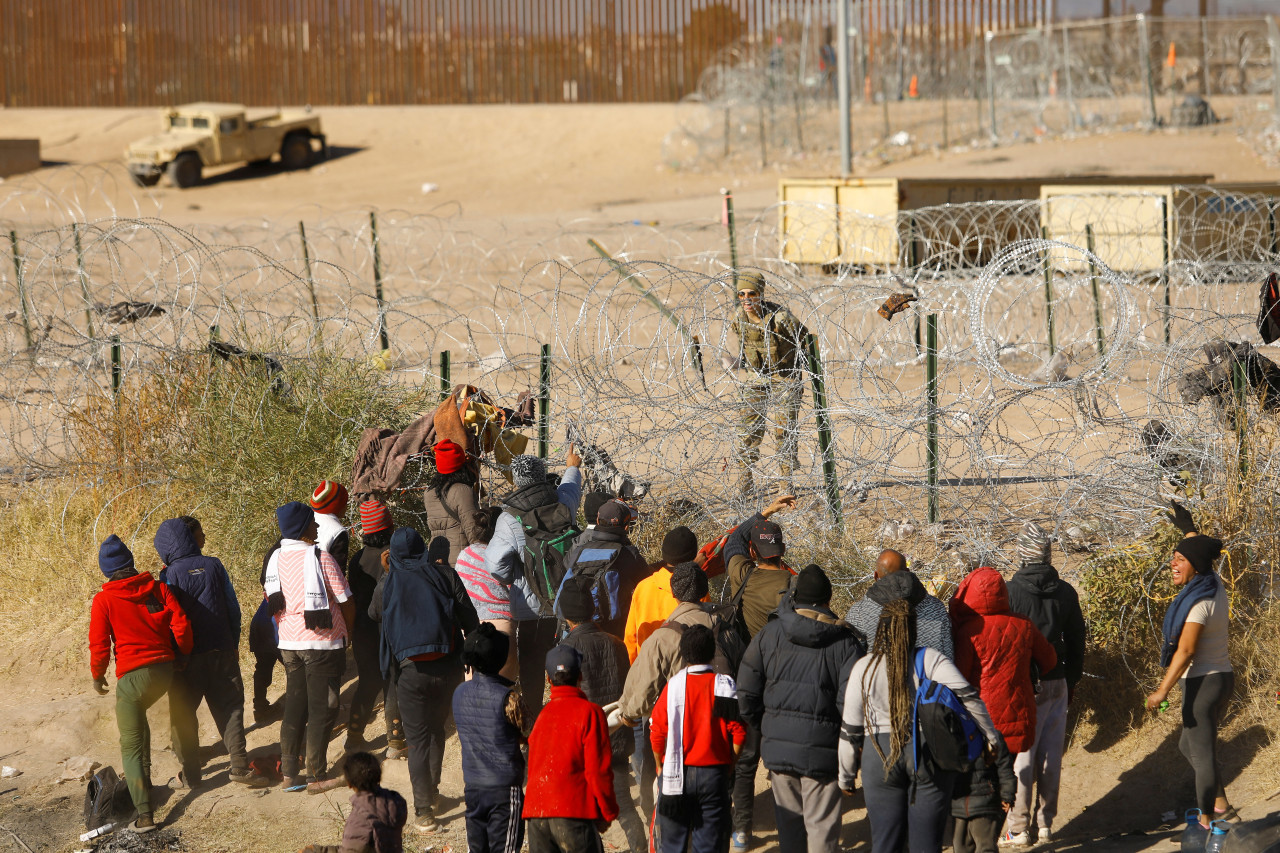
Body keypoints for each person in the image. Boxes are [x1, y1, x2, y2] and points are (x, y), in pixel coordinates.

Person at [838, 598, 1004, 853]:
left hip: (879, 756)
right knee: (926, 845)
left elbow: (850, 729)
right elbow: (969, 698)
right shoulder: (930, 659)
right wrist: (991, 739)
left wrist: (846, 776)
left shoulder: (864, 667)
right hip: (928, 753)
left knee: (885, 843)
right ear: (913, 629)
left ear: (880, 629)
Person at [736, 565, 864, 853]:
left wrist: (765, 724)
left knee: (789, 828)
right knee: (822, 829)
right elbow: (851, 705)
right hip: (824, 752)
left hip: (778, 750)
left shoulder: (769, 634)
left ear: (794, 598)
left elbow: (746, 690)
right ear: (829, 600)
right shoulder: (846, 644)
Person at [88, 534, 194, 833]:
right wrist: (182, 654)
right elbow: (181, 623)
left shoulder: (104, 600)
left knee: (130, 746)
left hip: (133, 679)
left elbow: (98, 644)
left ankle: (145, 815)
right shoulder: (158, 589)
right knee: (138, 720)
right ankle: (144, 784)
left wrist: (98, 676)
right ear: (130, 563)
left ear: (106, 570)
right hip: (164, 672)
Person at [376, 528, 480, 832]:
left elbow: (373, 613)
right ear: (423, 548)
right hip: (447, 668)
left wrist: (387, 575)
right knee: (436, 730)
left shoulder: (388, 583)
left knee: (418, 740)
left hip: (409, 674)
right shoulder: (445, 575)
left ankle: (423, 812)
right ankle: (432, 794)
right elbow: (470, 621)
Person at [154, 517, 267, 788]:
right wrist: (232, 641)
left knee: (183, 713)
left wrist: (174, 655)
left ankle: (192, 775)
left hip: (186, 657)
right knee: (230, 708)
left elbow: (168, 619)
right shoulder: (214, 565)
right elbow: (232, 607)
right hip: (221, 650)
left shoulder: (168, 575)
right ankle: (239, 766)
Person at [949, 566, 1055, 853]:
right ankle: (996, 831)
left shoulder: (968, 631)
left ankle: (980, 839)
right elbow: (1049, 660)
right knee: (1003, 777)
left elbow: (957, 674)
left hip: (979, 723)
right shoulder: (1024, 624)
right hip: (1017, 718)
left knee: (981, 781)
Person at [617, 564, 735, 820]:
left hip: (680, 736)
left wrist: (627, 714)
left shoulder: (664, 635)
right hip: (720, 734)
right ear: (704, 591)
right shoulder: (725, 625)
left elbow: (640, 691)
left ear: (673, 592)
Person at [1144, 517, 1236, 828]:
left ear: (1194, 565)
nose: (1173, 563)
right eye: (1174, 557)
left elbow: (1185, 651)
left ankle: (1207, 818)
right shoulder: (1211, 581)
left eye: (1180, 560)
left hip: (1204, 683)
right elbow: (1200, 550)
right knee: (1190, 746)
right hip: (1219, 677)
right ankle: (1221, 805)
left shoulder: (1198, 604)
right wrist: (1188, 529)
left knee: (1202, 751)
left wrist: (1161, 691)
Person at [1004, 523, 1087, 846]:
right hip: (1058, 680)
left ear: (1023, 554)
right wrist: (1073, 679)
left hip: (1025, 683)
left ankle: (1018, 827)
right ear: (1048, 554)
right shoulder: (1065, 592)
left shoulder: (1011, 592)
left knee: (1024, 755)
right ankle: (1045, 824)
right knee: (1052, 756)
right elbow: (1078, 639)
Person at [722, 494, 797, 849]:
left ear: (753, 553)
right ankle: (793, 828)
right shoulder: (796, 587)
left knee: (747, 758)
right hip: (786, 683)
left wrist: (763, 511)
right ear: (781, 549)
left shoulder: (742, 575)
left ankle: (742, 829)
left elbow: (733, 539)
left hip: (749, 679)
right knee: (784, 760)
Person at [265, 500, 355, 794]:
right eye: (313, 523)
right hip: (322, 643)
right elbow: (345, 600)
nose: (317, 527)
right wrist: (348, 632)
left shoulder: (274, 558)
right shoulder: (320, 558)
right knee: (322, 709)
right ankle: (316, 774)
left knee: (294, 705)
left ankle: (290, 773)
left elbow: (273, 602)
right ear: (303, 528)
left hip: (289, 644)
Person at [486, 447, 583, 717]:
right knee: (565, 667)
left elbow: (495, 564)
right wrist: (572, 466)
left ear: (516, 481)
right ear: (542, 476)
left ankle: (533, 725)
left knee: (530, 671)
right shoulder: (562, 503)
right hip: (566, 603)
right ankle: (565, 715)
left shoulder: (509, 518)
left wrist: (516, 574)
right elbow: (571, 487)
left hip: (531, 611)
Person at [559, 583, 649, 853]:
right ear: (592, 610)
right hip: (616, 737)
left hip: (583, 744)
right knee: (623, 804)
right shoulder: (616, 643)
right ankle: (640, 849)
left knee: (582, 809)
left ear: (566, 616)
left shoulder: (565, 650)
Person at [650, 624, 746, 853]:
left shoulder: (672, 686)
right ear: (713, 651)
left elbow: (657, 734)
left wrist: (659, 766)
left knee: (673, 845)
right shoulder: (723, 686)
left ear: (684, 654)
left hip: (675, 776)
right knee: (710, 845)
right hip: (714, 776)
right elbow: (739, 732)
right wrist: (731, 764)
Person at [523, 646, 618, 853]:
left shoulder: (542, 717)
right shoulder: (590, 713)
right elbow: (598, 770)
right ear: (581, 676)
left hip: (536, 814)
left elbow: (534, 768)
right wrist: (607, 811)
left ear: (549, 681)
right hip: (572, 813)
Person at [729, 271, 810, 496]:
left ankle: (785, 482)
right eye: (741, 294)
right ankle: (745, 484)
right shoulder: (739, 317)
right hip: (757, 376)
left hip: (785, 377)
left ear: (761, 294)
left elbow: (806, 341)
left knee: (784, 431)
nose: (746, 299)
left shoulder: (781, 318)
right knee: (747, 430)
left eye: (752, 294)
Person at [453, 624, 530, 853]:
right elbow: (530, 733)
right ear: (501, 659)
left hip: (473, 787)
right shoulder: (510, 699)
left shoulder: (459, 693)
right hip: (504, 791)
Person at [344, 500, 395, 751]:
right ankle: (396, 738)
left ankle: (353, 735)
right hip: (389, 629)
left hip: (364, 630)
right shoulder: (393, 554)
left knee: (368, 682)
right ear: (389, 526)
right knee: (392, 680)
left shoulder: (357, 560)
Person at [559, 498, 649, 638]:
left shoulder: (579, 550)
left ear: (598, 520)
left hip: (576, 629)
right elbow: (647, 583)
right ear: (626, 527)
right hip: (613, 630)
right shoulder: (629, 555)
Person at [847, 549, 954, 660]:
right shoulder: (936, 607)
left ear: (875, 576)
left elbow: (851, 661)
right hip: (929, 675)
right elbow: (948, 656)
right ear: (907, 571)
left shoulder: (859, 612)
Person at [300, 751, 408, 853]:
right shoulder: (396, 800)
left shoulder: (360, 818)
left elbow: (351, 851)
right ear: (379, 776)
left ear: (349, 783)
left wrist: (319, 851)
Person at [456, 505, 519, 681]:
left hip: (470, 630)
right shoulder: (506, 556)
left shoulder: (464, 556)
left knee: (472, 692)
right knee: (503, 692)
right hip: (503, 627)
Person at [624, 526, 699, 663]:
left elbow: (630, 637)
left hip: (647, 666)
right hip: (682, 669)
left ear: (664, 554)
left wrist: (634, 671)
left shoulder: (643, 587)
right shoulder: (695, 589)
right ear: (693, 555)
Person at [424, 438, 485, 566]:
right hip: (459, 562)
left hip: (435, 558)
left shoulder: (429, 492)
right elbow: (473, 531)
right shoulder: (462, 491)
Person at [310, 480, 351, 569]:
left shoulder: (305, 521)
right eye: (345, 502)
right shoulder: (338, 531)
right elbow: (338, 570)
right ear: (337, 506)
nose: (346, 507)